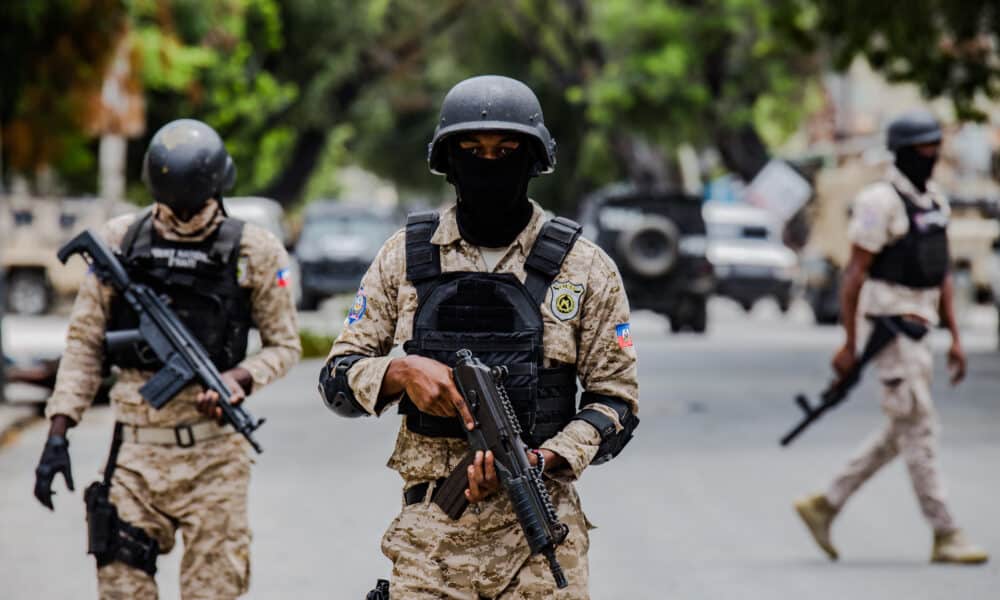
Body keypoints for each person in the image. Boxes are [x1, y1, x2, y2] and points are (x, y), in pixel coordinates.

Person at [320, 75, 639, 598]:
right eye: (472, 150)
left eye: (506, 150)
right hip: (431, 542)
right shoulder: (406, 257)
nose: (489, 163)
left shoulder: (584, 268)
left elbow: (617, 407)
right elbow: (336, 380)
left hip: (542, 536)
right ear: (449, 162)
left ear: (533, 161)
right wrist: (402, 371)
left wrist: (542, 459)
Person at [32, 119, 302, 598]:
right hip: (135, 458)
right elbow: (84, 344)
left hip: (216, 461)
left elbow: (285, 346)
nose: (182, 215)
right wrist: (58, 430)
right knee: (121, 588)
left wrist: (241, 376)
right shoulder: (120, 240)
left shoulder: (254, 250)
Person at [794, 111, 988, 564]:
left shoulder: (933, 200)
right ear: (902, 152)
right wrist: (848, 343)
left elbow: (938, 272)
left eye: (934, 146)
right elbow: (854, 275)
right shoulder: (879, 202)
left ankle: (825, 503)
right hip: (889, 329)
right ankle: (946, 531)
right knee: (919, 427)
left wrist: (955, 338)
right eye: (922, 148)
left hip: (921, 329)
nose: (931, 155)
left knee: (902, 427)